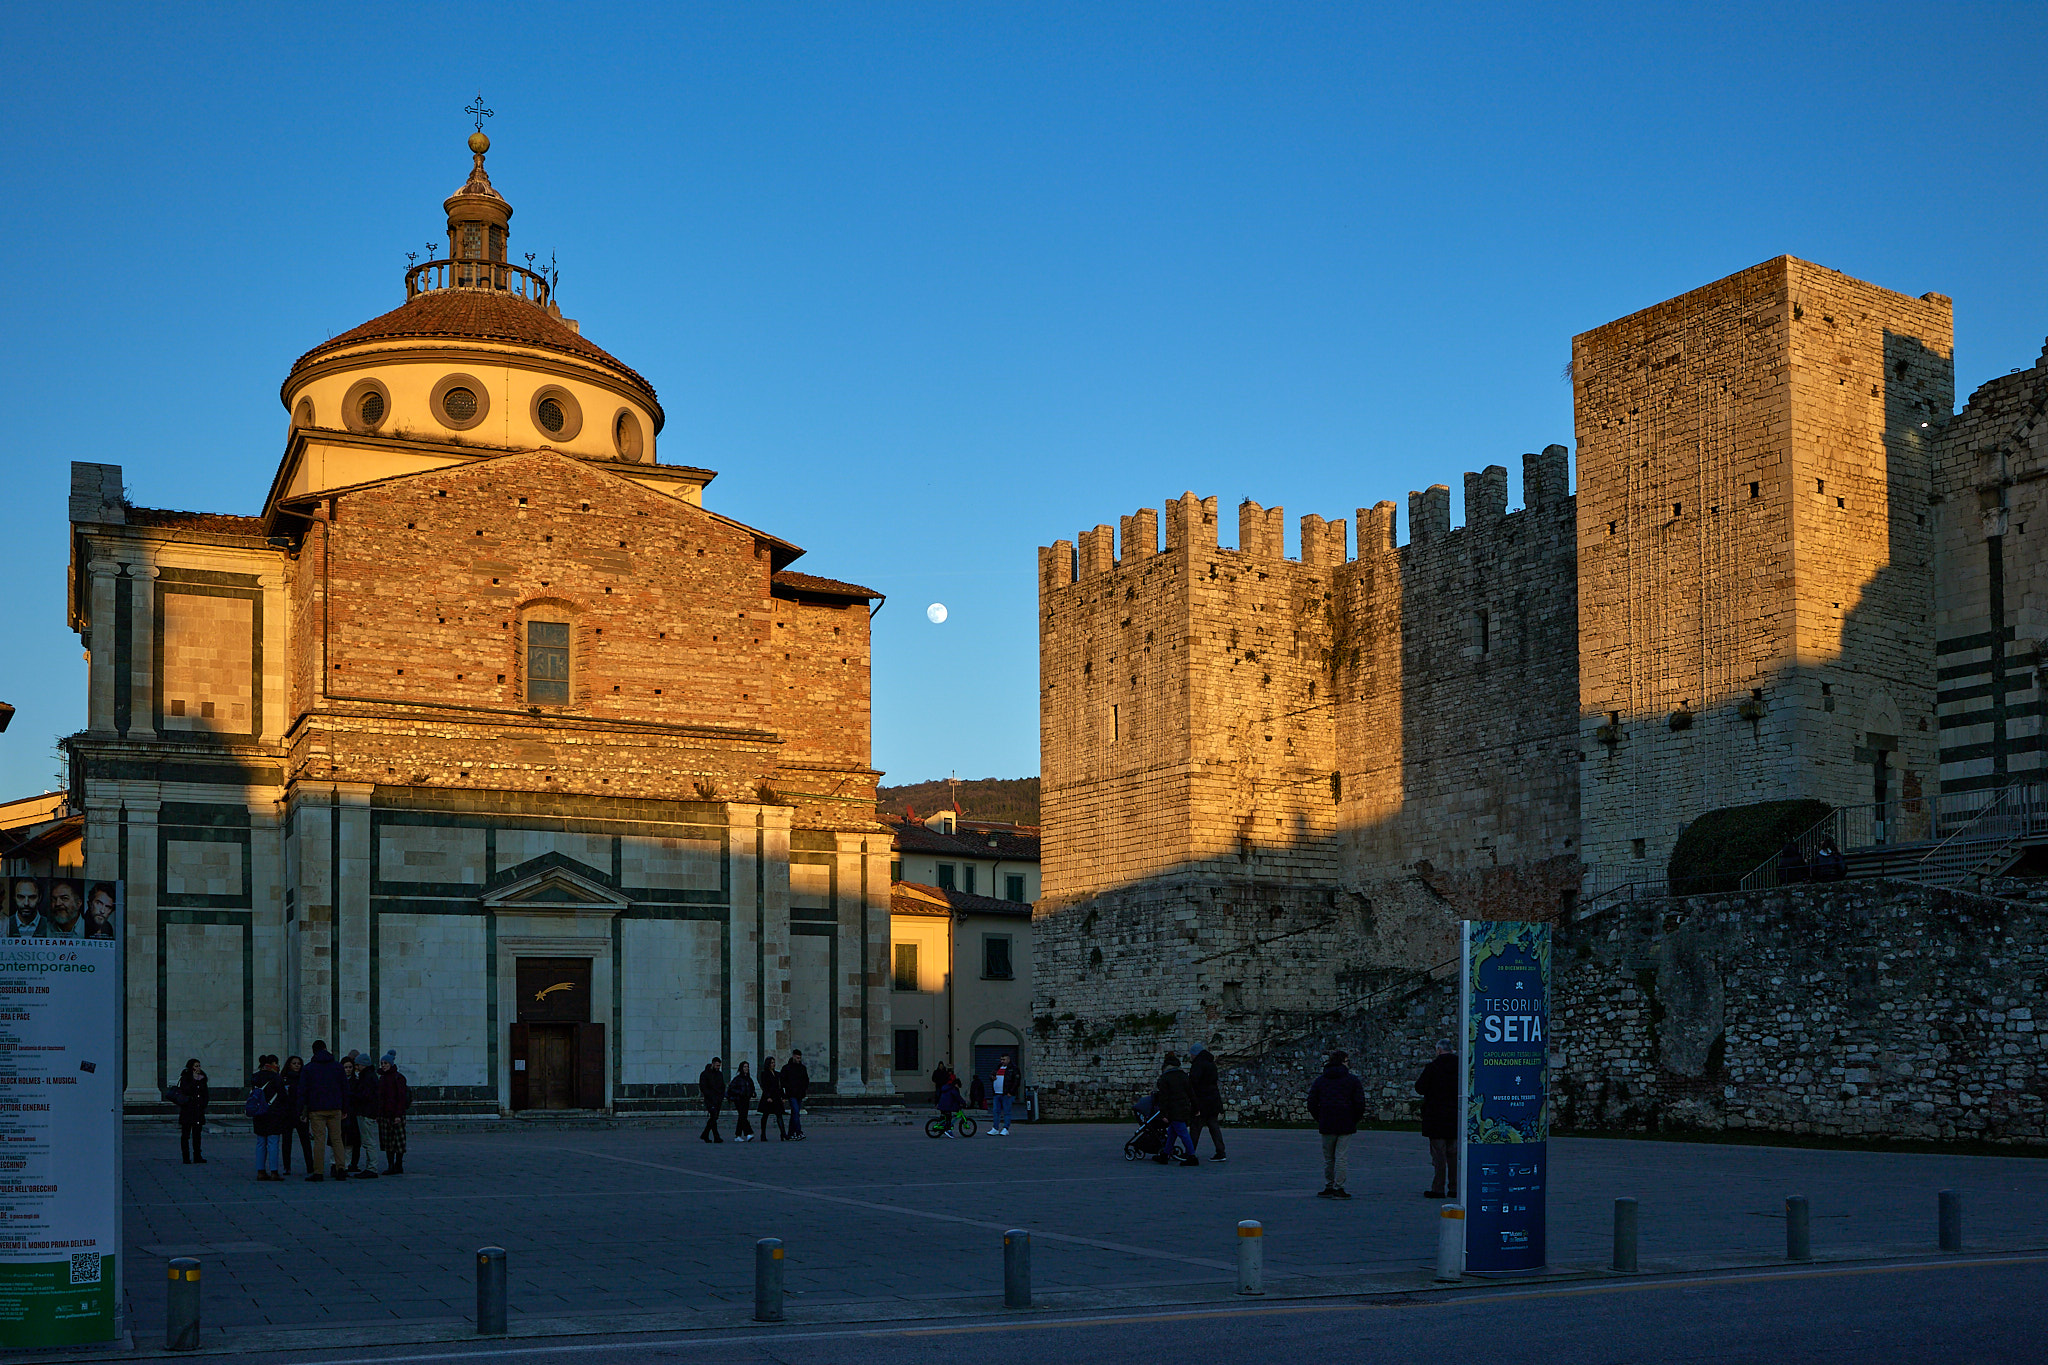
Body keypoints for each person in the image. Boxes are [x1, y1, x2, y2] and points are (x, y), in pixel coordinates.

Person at [1306, 1050, 1366, 1199]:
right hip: (1345, 1121)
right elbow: (1359, 1103)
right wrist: (1354, 1119)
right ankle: (1339, 1187)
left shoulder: (1321, 1080)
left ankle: (1329, 1185)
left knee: (1329, 1157)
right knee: (1341, 1156)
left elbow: (1312, 1102)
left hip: (1327, 1121)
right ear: (1343, 1062)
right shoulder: (1352, 1080)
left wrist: (1319, 1117)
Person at [1414, 1039, 1459, 1198]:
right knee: (1453, 1155)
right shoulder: (1461, 1067)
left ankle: (1438, 1188)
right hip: (1455, 1117)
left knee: (1439, 1156)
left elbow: (1419, 1087)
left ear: (1439, 1050)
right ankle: (1454, 1187)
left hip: (1436, 1117)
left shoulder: (1433, 1067)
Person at [298, 1041, 349, 1181]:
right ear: (326, 1049)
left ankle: (318, 1172)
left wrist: (301, 1111)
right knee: (337, 1139)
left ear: (313, 1051)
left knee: (319, 1141)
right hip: (335, 1108)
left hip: (316, 1109)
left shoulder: (309, 1068)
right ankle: (341, 1169)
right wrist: (345, 1108)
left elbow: (302, 1091)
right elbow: (345, 1089)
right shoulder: (338, 1067)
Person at [1153, 1052, 1197, 1166]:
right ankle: (1165, 1154)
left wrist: (1163, 1114)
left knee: (1182, 1133)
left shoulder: (1165, 1078)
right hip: (1184, 1108)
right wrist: (1196, 1107)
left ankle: (1192, 1156)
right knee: (1172, 1133)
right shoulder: (1183, 1076)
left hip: (1173, 1110)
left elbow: (1163, 1098)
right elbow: (1191, 1093)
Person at [247, 1054, 284, 1181]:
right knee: (273, 1142)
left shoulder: (255, 1077)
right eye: (276, 1063)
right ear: (272, 1064)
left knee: (261, 1143)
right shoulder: (276, 1077)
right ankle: (274, 1171)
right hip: (273, 1113)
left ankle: (260, 1171)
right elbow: (283, 1096)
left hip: (259, 1113)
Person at [1187, 1042, 1227, 1161]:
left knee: (1195, 1127)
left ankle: (1190, 1151)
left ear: (1195, 1054)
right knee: (1214, 1126)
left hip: (1202, 1100)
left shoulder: (1198, 1065)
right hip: (1213, 1099)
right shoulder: (1211, 1063)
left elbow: (1193, 1082)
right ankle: (1221, 1151)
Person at [343, 1053, 381, 1178]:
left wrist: (352, 1095)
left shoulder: (367, 1078)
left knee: (368, 1141)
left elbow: (366, 1096)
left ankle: (372, 1168)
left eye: (357, 1064)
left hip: (366, 1112)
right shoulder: (369, 1076)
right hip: (366, 1112)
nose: (356, 1067)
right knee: (367, 1141)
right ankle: (370, 1167)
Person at [375, 1051, 411, 1175]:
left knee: (398, 1142)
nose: (383, 1065)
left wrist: (398, 1115)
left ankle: (398, 1164)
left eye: (385, 1063)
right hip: (384, 1114)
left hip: (396, 1114)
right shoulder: (382, 1078)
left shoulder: (398, 1078)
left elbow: (401, 1098)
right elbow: (380, 1098)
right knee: (387, 1142)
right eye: (382, 1063)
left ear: (391, 1064)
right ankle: (391, 1165)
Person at [278, 1054, 312, 1176]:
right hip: (287, 1114)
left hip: (300, 1113)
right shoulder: (284, 1078)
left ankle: (310, 1165)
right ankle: (287, 1166)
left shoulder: (304, 1078)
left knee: (305, 1141)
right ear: (289, 1065)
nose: (297, 1066)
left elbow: (307, 1096)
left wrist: (305, 1112)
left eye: (298, 1063)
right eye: (294, 1063)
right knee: (286, 1141)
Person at [173, 1058, 209, 1164]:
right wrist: (194, 1080)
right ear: (191, 1067)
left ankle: (197, 1156)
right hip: (187, 1110)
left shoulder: (202, 1078)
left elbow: (205, 1093)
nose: (198, 1068)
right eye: (196, 1066)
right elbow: (185, 1090)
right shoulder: (186, 1077)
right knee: (186, 1135)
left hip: (198, 1111)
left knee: (197, 1135)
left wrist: (203, 1104)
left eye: (199, 1066)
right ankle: (186, 1156)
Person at [781, 1050, 810, 1140]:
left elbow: (806, 1080)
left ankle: (790, 1133)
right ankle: (798, 1132)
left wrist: (804, 1089)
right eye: (797, 1058)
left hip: (800, 1094)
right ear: (793, 1056)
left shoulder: (802, 1068)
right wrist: (788, 1089)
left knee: (795, 1113)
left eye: (800, 1058)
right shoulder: (787, 1068)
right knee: (796, 1112)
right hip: (791, 1094)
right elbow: (782, 1080)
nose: (799, 1059)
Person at [698, 1056, 727, 1143]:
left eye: (719, 1066)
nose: (718, 1067)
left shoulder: (719, 1074)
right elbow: (703, 1087)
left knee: (714, 1117)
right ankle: (715, 1136)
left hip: (718, 1099)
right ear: (713, 1064)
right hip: (710, 1099)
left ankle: (705, 1134)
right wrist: (710, 1096)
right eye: (717, 1065)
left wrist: (721, 1096)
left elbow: (722, 1085)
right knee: (713, 1116)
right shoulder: (704, 1074)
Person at [759, 1054, 787, 1141]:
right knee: (765, 1116)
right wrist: (768, 1096)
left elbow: (780, 1086)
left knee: (779, 1115)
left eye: (774, 1062)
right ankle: (763, 1134)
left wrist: (783, 1097)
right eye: (771, 1063)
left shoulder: (777, 1074)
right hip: (768, 1098)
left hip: (776, 1097)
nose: (773, 1064)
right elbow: (764, 1086)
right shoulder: (764, 1074)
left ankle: (783, 1133)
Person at [728, 1062, 757, 1142]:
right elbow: (731, 1088)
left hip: (746, 1099)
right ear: (741, 1068)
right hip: (739, 1099)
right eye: (744, 1067)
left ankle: (738, 1135)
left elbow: (752, 1087)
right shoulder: (737, 1079)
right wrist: (740, 1092)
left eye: (747, 1067)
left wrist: (753, 1093)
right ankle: (748, 1133)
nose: (746, 1068)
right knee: (743, 1116)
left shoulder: (749, 1079)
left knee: (742, 1117)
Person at [990, 1055, 1015, 1135]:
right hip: (997, 1093)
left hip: (1006, 1094)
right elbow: (991, 1076)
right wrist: (992, 1077)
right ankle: (995, 1128)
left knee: (1007, 1112)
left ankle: (1005, 1128)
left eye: (1004, 1059)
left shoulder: (1013, 1069)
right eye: (1001, 1059)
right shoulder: (997, 1067)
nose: (1002, 1061)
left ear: (1008, 1059)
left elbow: (1016, 1081)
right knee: (996, 1111)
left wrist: (1010, 1092)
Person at [935, 1071, 965, 1136]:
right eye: (958, 1086)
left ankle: (942, 1129)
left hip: (942, 1105)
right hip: (946, 1106)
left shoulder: (947, 1087)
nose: (958, 1087)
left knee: (944, 1117)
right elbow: (958, 1097)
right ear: (956, 1084)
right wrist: (963, 1103)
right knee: (949, 1117)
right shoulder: (953, 1089)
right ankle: (948, 1130)